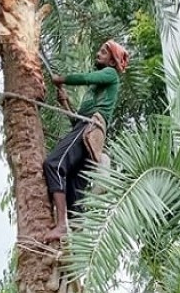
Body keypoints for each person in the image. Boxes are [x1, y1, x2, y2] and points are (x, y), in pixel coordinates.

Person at [43, 40, 129, 242]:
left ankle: (62, 225)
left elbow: (84, 77)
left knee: (54, 164)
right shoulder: (94, 92)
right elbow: (77, 121)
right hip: (86, 132)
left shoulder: (110, 74)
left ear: (112, 60)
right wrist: (65, 102)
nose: (98, 54)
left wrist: (62, 79)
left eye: (103, 52)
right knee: (73, 188)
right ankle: (73, 243)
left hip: (90, 130)